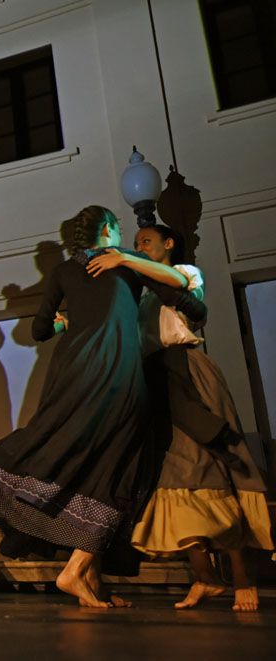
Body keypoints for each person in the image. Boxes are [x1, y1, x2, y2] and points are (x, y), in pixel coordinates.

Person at [0, 206, 207, 608]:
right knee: (119, 467)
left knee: (80, 456)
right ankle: (75, 570)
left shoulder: (62, 271)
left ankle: (93, 581)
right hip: (115, 370)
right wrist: (130, 259)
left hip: (71, 370)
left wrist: (63, 323)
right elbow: (180, 285)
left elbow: (39, 330)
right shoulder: (127, 262)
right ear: (108, 230)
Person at [104, 224, 273, 612]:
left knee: (213, 459)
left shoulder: (185, 273)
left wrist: (127, 260)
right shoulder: (142, 292)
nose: (138, 246)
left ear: (168, 242)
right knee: (173, 471)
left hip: (187, 371)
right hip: (155, 379)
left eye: (145, 240)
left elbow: (181, 293)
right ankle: (204, 577)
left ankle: (241, 576)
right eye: (135, 243)